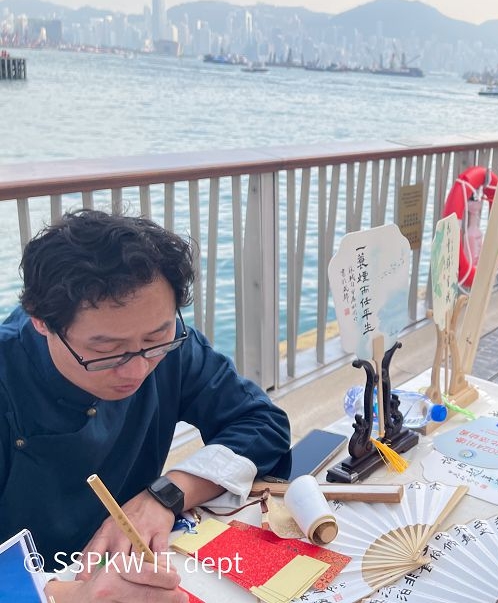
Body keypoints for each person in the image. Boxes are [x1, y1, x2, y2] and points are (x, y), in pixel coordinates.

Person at [0, 210, 291, 602]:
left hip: (143, 560)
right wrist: (66, 595)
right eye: (107, 350)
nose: (137, 370)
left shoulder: (170, 348)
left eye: (156, 337)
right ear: (41, 323)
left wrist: (166, 495)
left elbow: (262, 423)